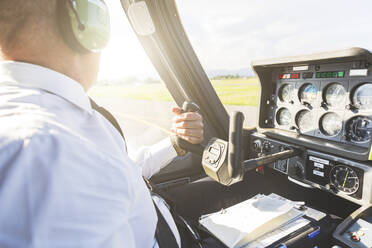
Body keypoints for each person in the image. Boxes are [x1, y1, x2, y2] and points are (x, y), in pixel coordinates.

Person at [0, 0, 212, 247]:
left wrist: (175, 143)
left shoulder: (57, 120)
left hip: (164, 217)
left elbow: (122, 171)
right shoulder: (51, 153)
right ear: (86, 23)